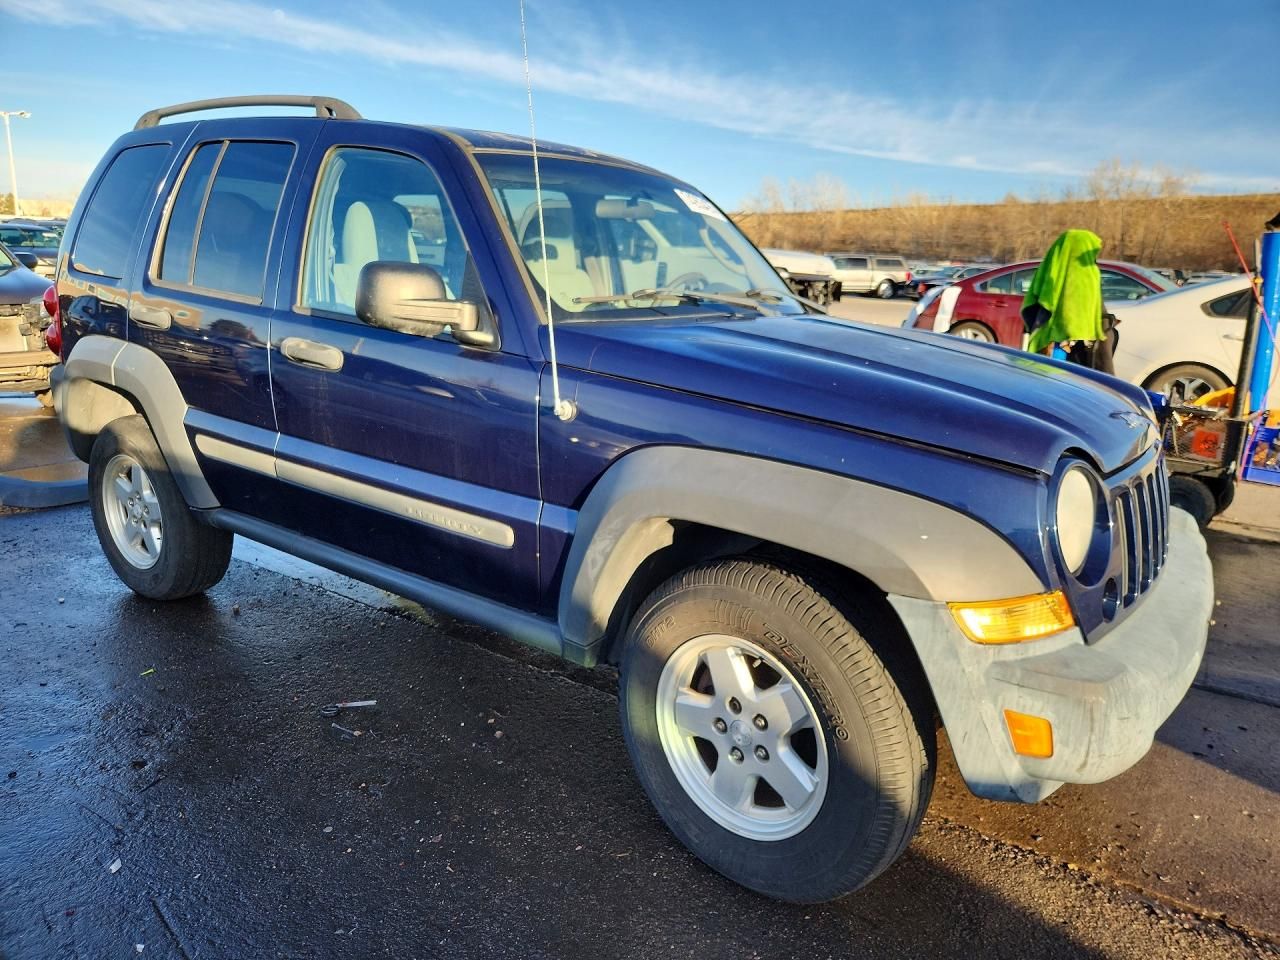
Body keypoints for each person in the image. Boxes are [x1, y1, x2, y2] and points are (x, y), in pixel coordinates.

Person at [1020, 229, 1118, 373]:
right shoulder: (1087, 273)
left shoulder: (1050, 267)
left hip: (1047, 340)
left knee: (1047, 376)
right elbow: (1082, 314)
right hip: (1079, 347)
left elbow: (1035, 299)